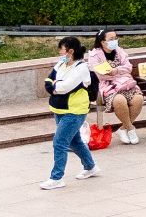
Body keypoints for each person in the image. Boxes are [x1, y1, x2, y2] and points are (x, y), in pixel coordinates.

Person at [40, 35, 98, 190]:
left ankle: (57, 177)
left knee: (59, 142)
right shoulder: (61, 63)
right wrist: (54, 85)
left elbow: (64, 87)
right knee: (75, 141)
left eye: (62, 50)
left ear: (70, 51)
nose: (60, 54)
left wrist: (54, 86)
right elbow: (49, 80)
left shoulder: (81, 68)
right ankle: (90, 166)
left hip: (74, 111)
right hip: (59, 108)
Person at [87, 29, 145, 144]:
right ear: (103, 42)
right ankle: (130, 129)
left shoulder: (119, 51)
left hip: (126, 83)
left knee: (138, 99)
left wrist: (115, 70)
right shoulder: (94, 55)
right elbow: (100, 74)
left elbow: (128, 67)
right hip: (109, 87)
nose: (115, 41)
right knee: (120, 100)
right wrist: (116, 73)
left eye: (115, 38)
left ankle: (123, 128)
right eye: (111, 39)